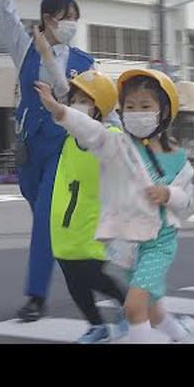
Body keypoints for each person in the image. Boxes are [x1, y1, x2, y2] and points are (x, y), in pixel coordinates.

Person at [36, 68, 194, 343]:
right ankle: (181, 333)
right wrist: (59, 111)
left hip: (159, 242)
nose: (137, 112)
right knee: (153, 309)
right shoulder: (118, 145)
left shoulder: (178, 159)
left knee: (134, 307)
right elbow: (90, 131)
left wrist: (168, 193)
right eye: (131, 106)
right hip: (129, 244)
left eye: (145, 106)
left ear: (164, 111)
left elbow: (186, 199)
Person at [0, 0, 120, 322]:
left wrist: (124, 136)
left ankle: (36, 295)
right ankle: (87, 273)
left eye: (75, 18)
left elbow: (103, 104)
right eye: (66, 17)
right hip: (30, 150)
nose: (72, 24)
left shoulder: (84, 62)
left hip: (63, 153)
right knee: (49, 223)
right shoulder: (25, 48)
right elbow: (5, 14)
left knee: (47, 220)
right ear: (48, 19)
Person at [43, 66, 129, 343]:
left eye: (85, 100)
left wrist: (57, 108)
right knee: (74, 280)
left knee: (92, 275)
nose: (76, 105)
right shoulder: (73, 138)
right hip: (65, 225)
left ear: (100, 107)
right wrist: (47, 55)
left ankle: (128, 305)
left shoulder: (110, 136)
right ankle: (96, 325)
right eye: (75, 99)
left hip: (94, 223)